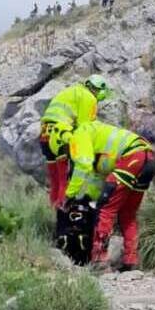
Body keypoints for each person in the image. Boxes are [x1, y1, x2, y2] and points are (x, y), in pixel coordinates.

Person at [53, 121, 155, 272]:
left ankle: (99, 260)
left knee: (104, 210)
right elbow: (97, 180)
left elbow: (84, 165)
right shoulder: (94, 139)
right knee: (127, 215)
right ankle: (131, 261)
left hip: (132, 157)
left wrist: (69, 195)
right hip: (148, 160)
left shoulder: (78, 136)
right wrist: (87, 198)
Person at [39, 75, 110, 209]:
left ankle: (53, 211)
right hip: (61, 135)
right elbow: (85, 127)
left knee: (54, 181)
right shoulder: (89, 97)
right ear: (99, 89)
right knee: (64, 181)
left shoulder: (72, 91)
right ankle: (63, 215)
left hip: (45, 134)